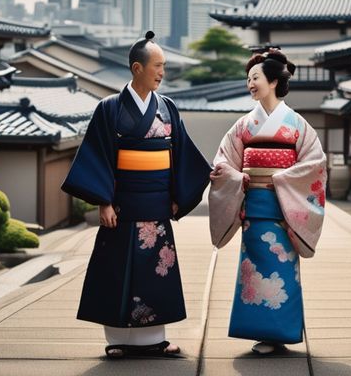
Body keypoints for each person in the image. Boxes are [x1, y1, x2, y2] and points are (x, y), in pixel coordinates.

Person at [61, 31, 211, 359]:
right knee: (117, 272)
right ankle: (118, 339)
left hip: (156, 206)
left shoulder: (167, 107)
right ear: (136, 68)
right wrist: (103, 201)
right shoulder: (109, 109)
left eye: (165, 66)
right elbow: (97, 155)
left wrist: (179, 195)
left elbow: (182, 154)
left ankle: (154, 340)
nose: (162, 72)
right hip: (121, 206)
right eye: (157, 65)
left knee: (156, 273)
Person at [207, 49, 328, 355]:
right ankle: (261, 332)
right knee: (253, 269)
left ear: (273, 81)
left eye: (256, 77)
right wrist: (236, 178)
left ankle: (282, 332)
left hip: (284, 210)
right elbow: (223, 163)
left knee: (283, 271)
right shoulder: (243, 126)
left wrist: (283, 180)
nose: (250, 83)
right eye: (248, 78)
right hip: (254, 209)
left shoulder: (297, 124)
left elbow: (316, 165)